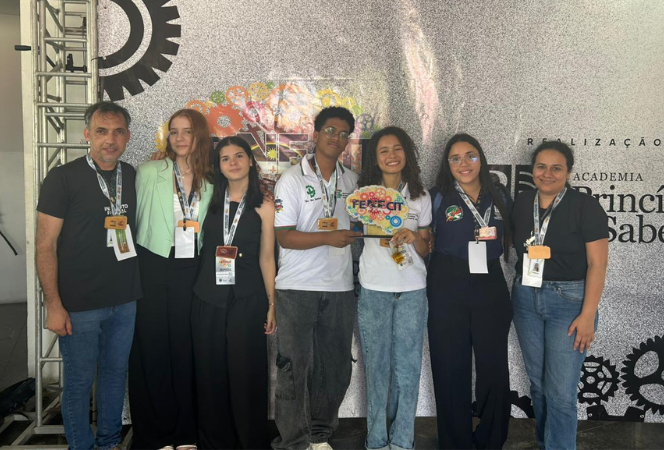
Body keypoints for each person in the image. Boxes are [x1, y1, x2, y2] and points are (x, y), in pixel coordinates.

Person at [35, 101, 141, 450]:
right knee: (80, 382)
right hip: (78, 304)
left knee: (115, 377)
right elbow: (45, 246)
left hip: (124, 299)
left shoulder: (132, 176)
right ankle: (81, 446)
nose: (110, 139)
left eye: (118, 132)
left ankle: (109, 443)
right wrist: (54, 304)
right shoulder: (62, 178)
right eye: (101, 131)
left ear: (127, 137)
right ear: (87, 135)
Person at [272, 106, 361, 450]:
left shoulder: (351, 181)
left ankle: (320, 435)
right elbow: (284, 237)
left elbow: (362, 226)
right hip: (297, 288)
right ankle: (293, 441)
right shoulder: (292, 179)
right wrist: (328, 237)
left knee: (334, 367)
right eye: (330, 130)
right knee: (293, 367)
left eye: (343, 134)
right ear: (316, 134)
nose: (336, 138)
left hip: (339, 287)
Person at [511, 141, 608, 450]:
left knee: (561, 393)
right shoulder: (522, 202)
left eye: (556, 168)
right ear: (532, 170)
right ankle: (546, 443)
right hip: (525, 298)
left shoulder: (585, 206)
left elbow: (597, 264)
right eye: (541, 167)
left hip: (569, 303)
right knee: (539, 386)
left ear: (568, 172)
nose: (547, 173)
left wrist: (588, 315)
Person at [129, 109, 213, 450]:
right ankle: (156, 434)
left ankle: (186, 433)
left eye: (187, 131)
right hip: (152, 264)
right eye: (174, 131)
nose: (179, 138)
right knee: (152, 348)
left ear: (199, 135)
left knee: (186, 349)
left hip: (191, 267)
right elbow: (134, 219)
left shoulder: (212, 179)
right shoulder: (149, 171)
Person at [190, 136, 276, 449]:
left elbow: (267, 257)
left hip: (248, 298)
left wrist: (272, 303)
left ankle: (250, 441)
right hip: (208, 296)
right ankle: (214, 441)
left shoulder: (264, 204)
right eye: (225, 158)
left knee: (246, 372)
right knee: (210, 370)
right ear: (219, 166)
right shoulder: (209, 198)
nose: (233, 163)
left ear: (251, 161)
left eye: (239, 156)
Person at [427, 133, 512, 449]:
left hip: (490, 282)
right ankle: (456, 443)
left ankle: (491, 440)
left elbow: (514, 237)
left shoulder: (500, 196)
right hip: (447, 282)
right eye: (456, 158)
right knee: (450, 366)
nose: (464, 163)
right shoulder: (436, 196)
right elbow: (423, 238)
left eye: (470, 156)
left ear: (481, 159)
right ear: (447, 164)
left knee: (493, 368)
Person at [356, 127, 431, 450]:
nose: (391, 155)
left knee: (408, 368)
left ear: (407, 154)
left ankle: (402, 441)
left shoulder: (420, 195)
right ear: (374, 158)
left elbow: (426, 248)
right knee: (376, 367)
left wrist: (414, 238)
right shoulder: (362, 195)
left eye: (397, 148)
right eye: (383, 150)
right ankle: (376, 441)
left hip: (412, 289)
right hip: (373, 288)